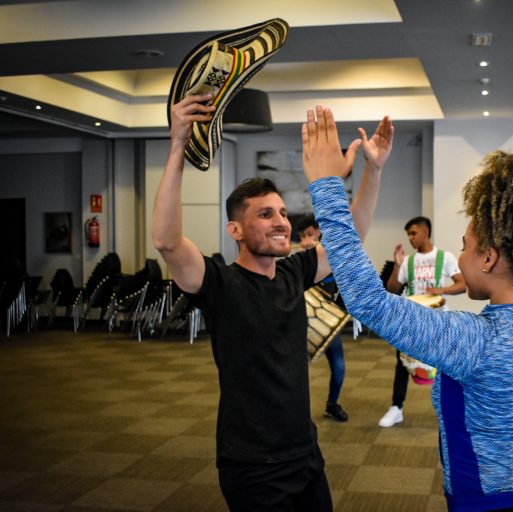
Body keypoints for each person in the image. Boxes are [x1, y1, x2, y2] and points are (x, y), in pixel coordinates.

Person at [303, 105, 513, 511]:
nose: (460, 256)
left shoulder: (475, 342)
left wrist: (327, 186)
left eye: (466, 246)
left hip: (491, 505)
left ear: (489, 258)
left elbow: (369, 301)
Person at [152, 94, 393, 511]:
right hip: (252, 465)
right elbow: (167, 241)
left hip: (304, 452)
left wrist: (373, 169)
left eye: (282, 212)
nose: (282, 221)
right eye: (265, 215)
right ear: (236, 230)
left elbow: (349, 235)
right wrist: (177, 146)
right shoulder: (219, 283)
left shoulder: (293, 273)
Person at [379, 216, 466, 427]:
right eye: (408, 234)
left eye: (413, 233)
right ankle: (396, 408)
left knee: (445, 364)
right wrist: (397, 266)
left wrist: (441, 290)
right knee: (401, 363)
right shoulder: (408, 261)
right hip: (411, 320)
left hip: (438, 321)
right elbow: (392, 289)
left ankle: (450, 409)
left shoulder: (445, 257)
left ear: (426, 232)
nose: (410, 238)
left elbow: (462, 284)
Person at [297, 214, 349, 422]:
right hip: (299, 327)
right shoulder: (296, 261)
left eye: (310, 234)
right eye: (302, 236)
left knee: (339, 367)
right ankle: (297, 413)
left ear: (319, 234)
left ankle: (332, 404)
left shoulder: (330, 258)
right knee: (297, 374)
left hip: (325, 324)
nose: (306, 240)